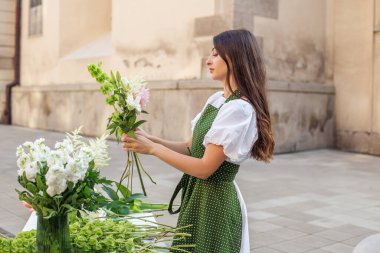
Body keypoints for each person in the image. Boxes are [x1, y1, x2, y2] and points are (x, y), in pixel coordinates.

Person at [121, 29, 274, 253]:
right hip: (198, 197)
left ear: (235, 58)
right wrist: (149, 140)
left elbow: (204, 168)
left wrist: (153, 149)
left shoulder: (239, 109)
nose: (208, 60)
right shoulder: (218, 100)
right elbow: (190, 147)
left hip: (216, 203)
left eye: (215, 54)